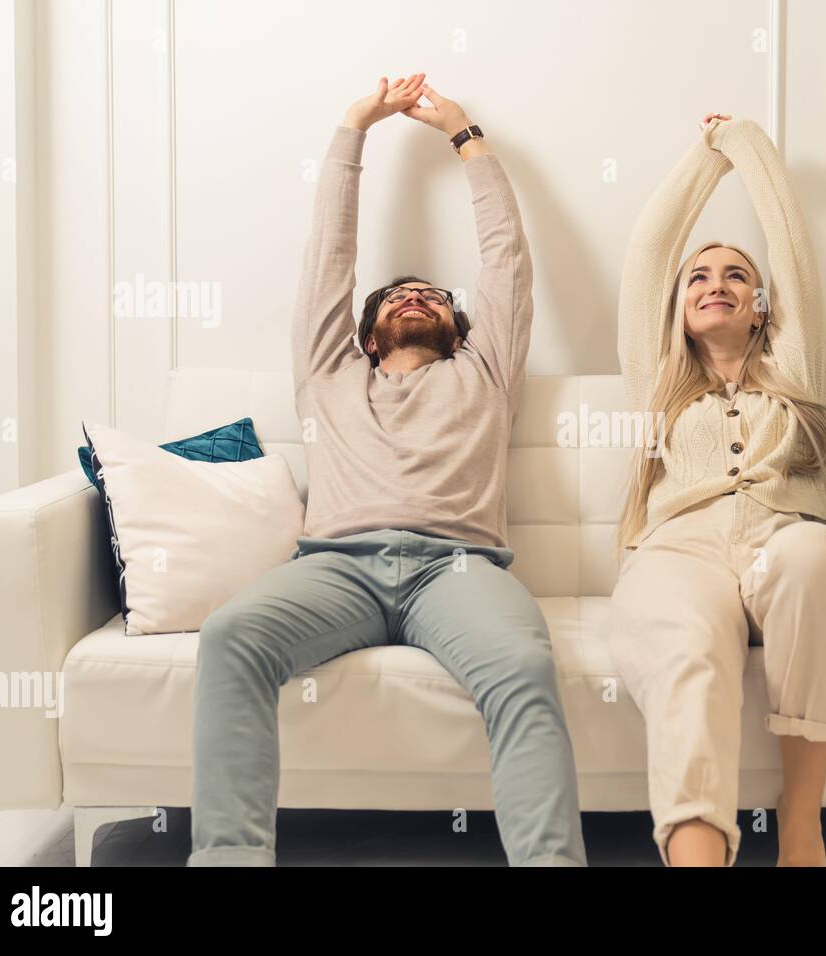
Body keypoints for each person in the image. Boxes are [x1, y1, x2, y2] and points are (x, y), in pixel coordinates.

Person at [187, 74, 586, 867]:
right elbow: (329, 259)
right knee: (230, 636)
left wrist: (465, 134)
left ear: (457, 325)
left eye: (432, 296)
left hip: (460, 570)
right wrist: (353, 129)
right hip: (335, 567)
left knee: (524, 665)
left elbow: (506, 259)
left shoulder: (486, 372)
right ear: (366, 333)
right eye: (397, 296)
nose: (415, 298)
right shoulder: (329, 374)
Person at [608, 113, 826, 867]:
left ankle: (800, 825)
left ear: (762, 305)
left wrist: (746, 140)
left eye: (736, 276)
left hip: (783, 542)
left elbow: (790, 242)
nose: (715, 284)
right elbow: (649, 252)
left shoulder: (797, 371)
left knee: (815, 561)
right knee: (688, 650)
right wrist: (703, 152)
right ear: (679, 309)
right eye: (700, 277)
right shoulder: (656, 380)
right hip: (678, 554)